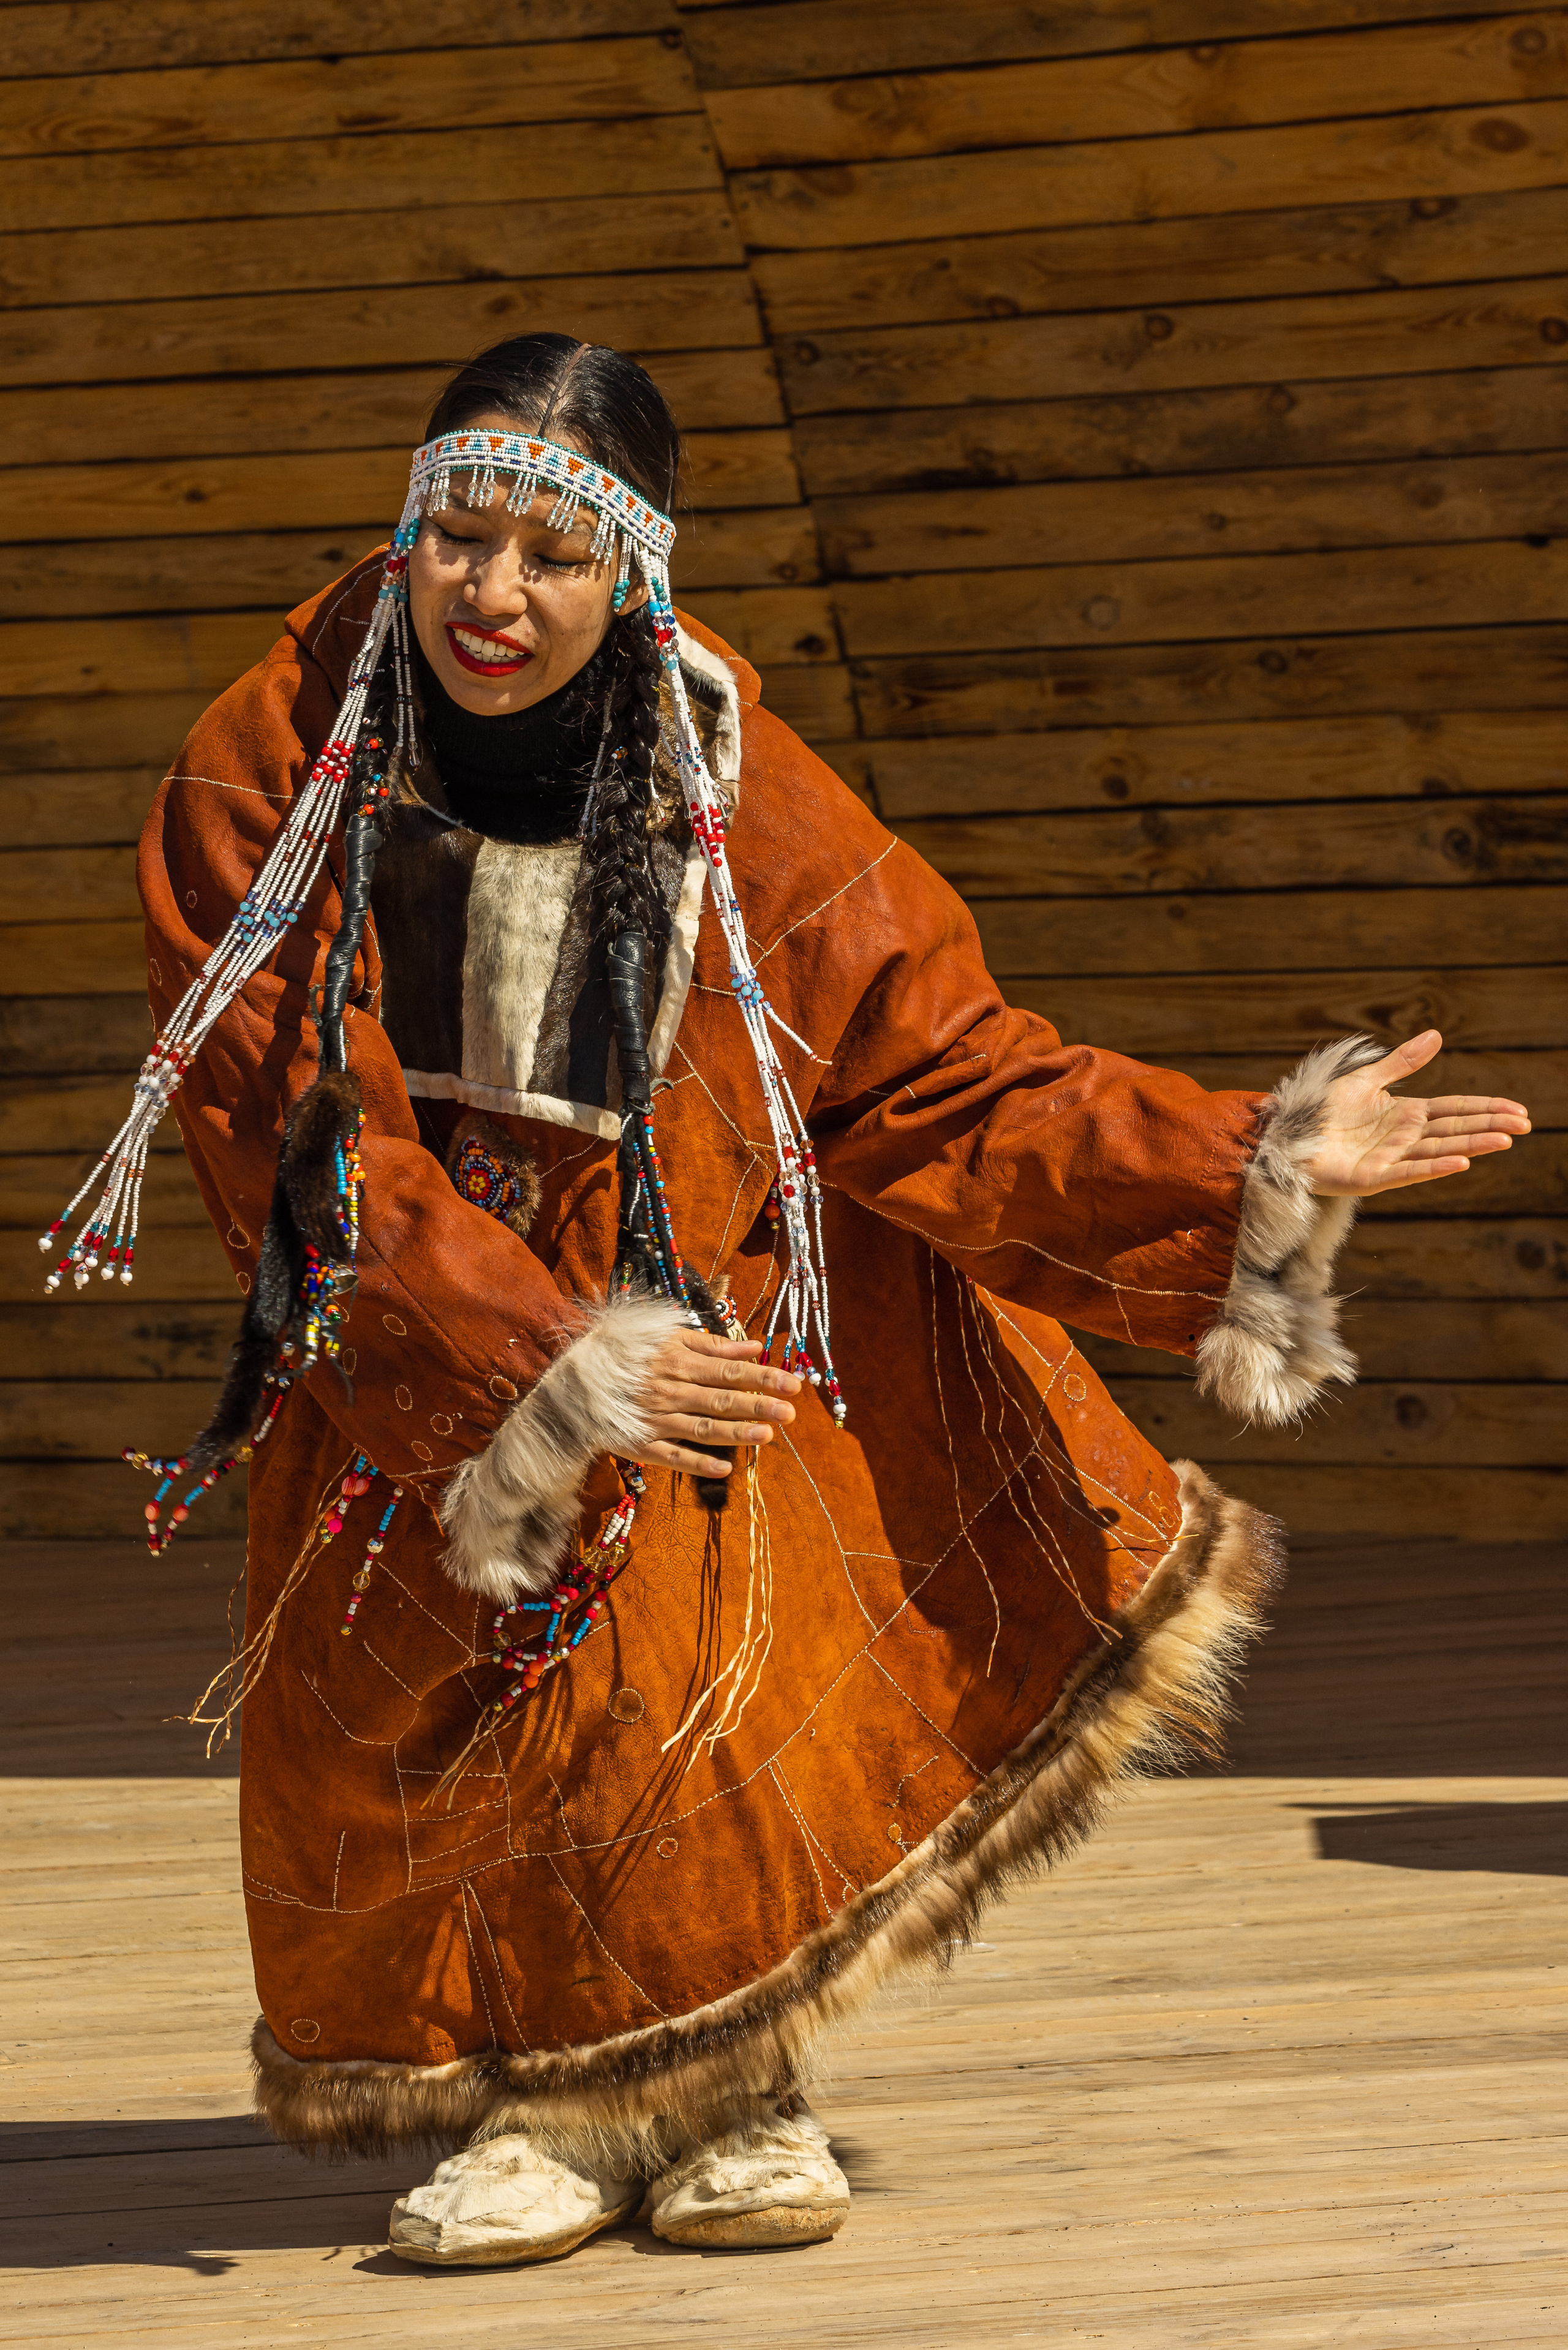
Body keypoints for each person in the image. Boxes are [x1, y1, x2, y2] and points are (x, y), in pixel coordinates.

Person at [72, 334, 1526, 2265]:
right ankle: (546, 2102)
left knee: (682, 1705)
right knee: (436, 1701)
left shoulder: (732, 770)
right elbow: (290, 1121)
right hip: (425, 1313)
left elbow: (951, 1074)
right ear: (408, 536)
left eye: (551, 557)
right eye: (457, 540)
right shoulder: (270, 756)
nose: (493, 597)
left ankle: (727, 2095)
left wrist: (1248, 1150)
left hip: (696, 1276)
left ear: (635, 578)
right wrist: (541, 1364)